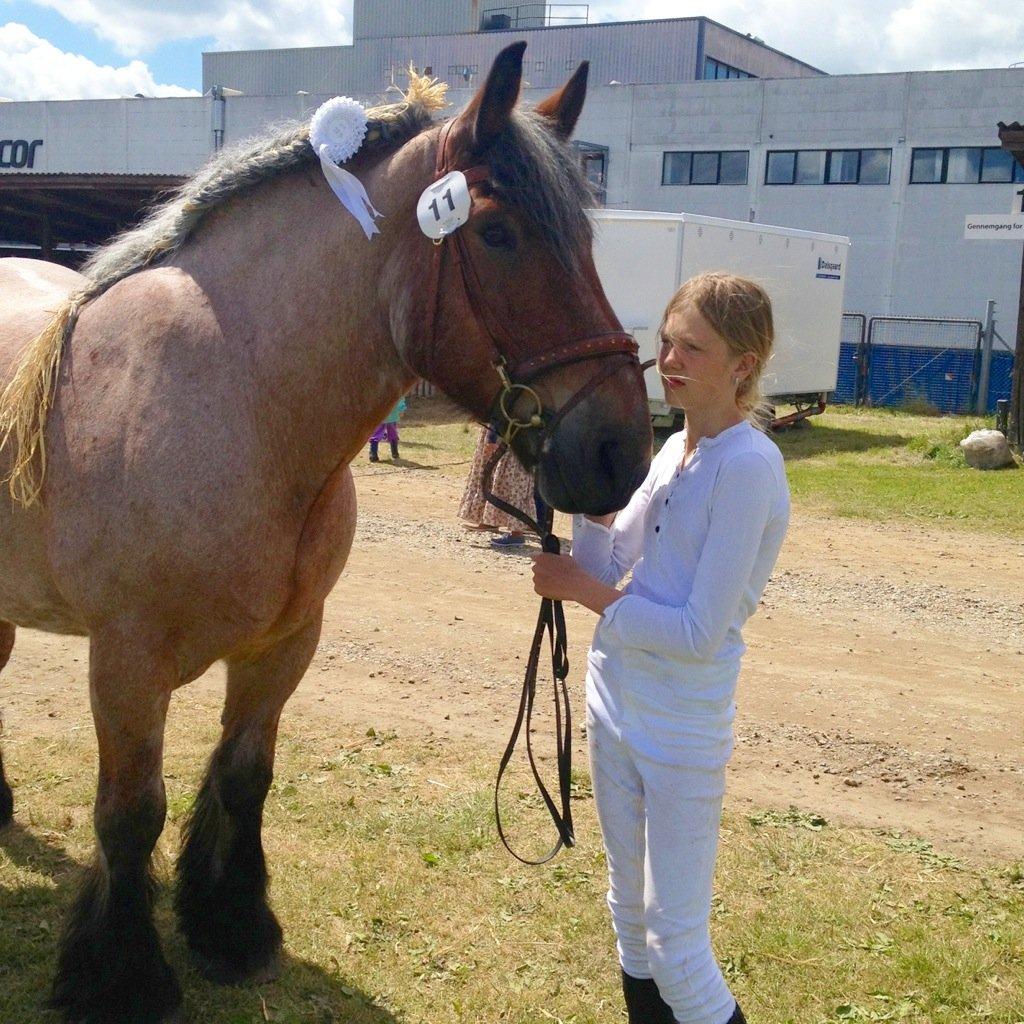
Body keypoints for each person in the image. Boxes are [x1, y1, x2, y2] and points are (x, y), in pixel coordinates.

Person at [531, 272, 789, 1024]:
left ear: (743, 366)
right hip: (616, 702)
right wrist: (585, 503)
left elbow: (697, 632)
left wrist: (585, 594)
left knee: (678, 949)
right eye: (667, 344)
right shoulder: (676, 446)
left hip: (680, 726)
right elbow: (613, 564)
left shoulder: (747, 468)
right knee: (630, 921)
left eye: (692, 349)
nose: (669, 362)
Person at [458, 425, 548, 549]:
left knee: (514, 484)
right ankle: (491, 520)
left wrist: (492, 438)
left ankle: (517, 534)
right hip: (513, 434)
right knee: (500, 480)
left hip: (514, 435)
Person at [368, 396, 407, 461]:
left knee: (379, 434)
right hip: (388, 415)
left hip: (384, 415)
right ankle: (394, 453)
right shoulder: (396, 389)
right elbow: (400, 398)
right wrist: (401, 409)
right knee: (391, 433)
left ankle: (373, 453)